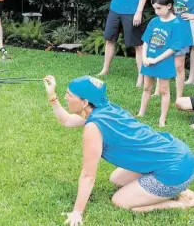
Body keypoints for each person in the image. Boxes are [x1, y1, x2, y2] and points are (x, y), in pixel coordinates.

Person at [43, 74, 194, 226]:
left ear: (84, 102)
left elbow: (88, 175)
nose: (66, 97)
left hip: (175, 169)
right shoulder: (104, 108)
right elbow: (67, 120)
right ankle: (179, 188)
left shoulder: (94, 127)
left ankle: (181, 202)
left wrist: (77, 212)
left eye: (69, 95)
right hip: (180, 154)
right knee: (117, 178)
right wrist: (52, 97)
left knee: (120, 201)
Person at [137, 0, 182, 127]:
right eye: (154, 8)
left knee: (164, 90)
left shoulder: (176, 24)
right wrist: (144, 57)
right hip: (148, 60)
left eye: (159, 8)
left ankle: (162, 118)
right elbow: (145, 41)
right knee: (146, 88)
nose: (156, 12)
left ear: (169, 6)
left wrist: (156, 60)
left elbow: (173, 48)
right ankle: (141, 113)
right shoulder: (154, 21)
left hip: (164, 62)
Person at [153, 0, 194, 96]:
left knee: (179, 66)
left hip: (183, 34)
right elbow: (157, 9)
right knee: (162, 62)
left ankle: (179, 96)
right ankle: (158, 91)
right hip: (166, 33)